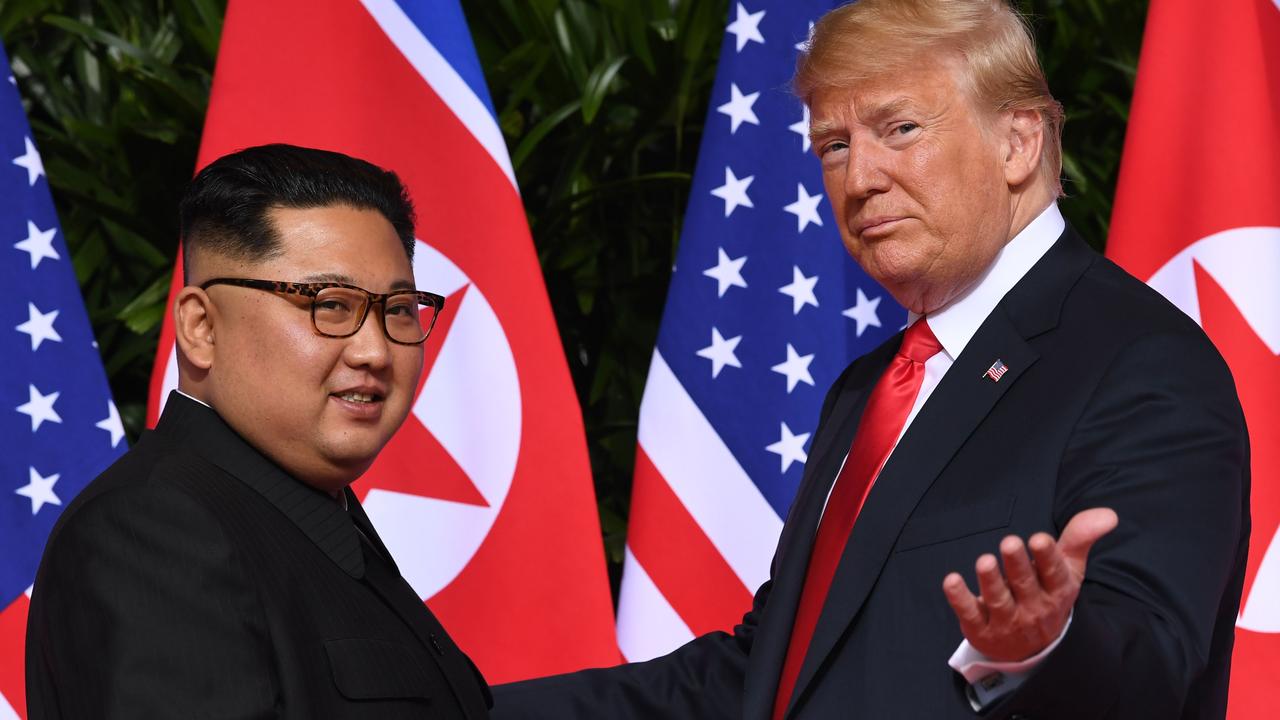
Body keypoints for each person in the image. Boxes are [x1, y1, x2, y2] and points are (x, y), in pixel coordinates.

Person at [492, 1, 1249, 718]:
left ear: (1018, 141)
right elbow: (770, 679)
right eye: (835, 145)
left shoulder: (1141, 364)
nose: (859, 179)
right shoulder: (869, 385)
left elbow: (1153, 668)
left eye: (901, 128)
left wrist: (1045, 646)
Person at [25, 144, 492, 719]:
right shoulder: (151, 529)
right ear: (201, 327)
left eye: (398, 308)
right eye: (329, 304)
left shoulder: (306, 513)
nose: (375, 350)